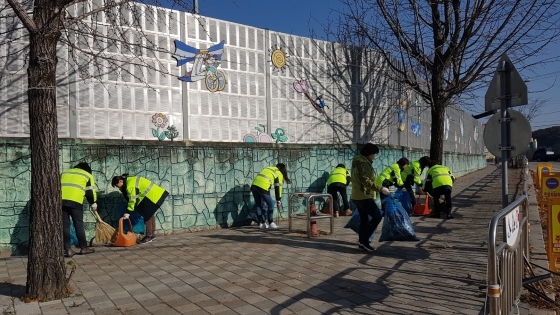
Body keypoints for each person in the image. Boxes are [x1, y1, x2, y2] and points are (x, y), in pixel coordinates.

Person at [351, 143, 390, 252]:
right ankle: (363, 241)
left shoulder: (358, 161)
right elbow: (366, 181)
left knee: (364, 220)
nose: (374, 156)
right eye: (373, 154)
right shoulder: (364, 164)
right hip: (363, 196)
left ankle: (361, 243)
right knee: (377, 216)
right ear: (369, 153)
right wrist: (381, 188)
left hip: (356, 195)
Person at [111, 174, 169, 243]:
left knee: (147, 216)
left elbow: (133, 200)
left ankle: (149, 236)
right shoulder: (130, 180)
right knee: (150, 214)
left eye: (117, 185)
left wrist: (128, 212)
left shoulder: (130, 185)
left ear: (120, 181)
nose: (118, 188)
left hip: (151, 196)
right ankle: (152, 234)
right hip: (154, 194)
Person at [61, 162, 97, 258]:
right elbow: (90, 192)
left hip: (60, 202)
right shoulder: (87, 175)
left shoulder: (65, 173)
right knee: (78, 225)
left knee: (65, 226)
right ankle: (84, 248)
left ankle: (68, 249)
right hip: (75, 201)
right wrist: (93, 202)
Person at [251, 163, 290, 230]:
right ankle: (271, 223)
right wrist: (278, 199)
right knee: (270, 204)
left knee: (258, 204)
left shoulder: (268, 168)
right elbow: (278, 187)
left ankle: (262, 223)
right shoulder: (278, 173)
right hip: (263, 186)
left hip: (254, 185)